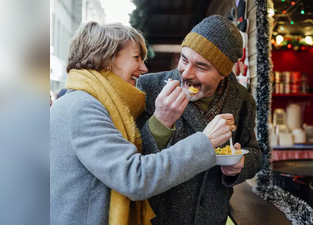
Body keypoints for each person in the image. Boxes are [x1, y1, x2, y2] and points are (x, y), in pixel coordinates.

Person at [50, 21, 235, 225]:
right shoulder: (83, 107)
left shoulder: (88, 102)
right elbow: (134, 178)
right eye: (136, 57)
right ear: (106, 59)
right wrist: (205, 143)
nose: (144, 68)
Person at [136, 15, 263, 225]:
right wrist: (160, 122)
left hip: (212, 218)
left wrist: (241, 164)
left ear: (223, 73)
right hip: (156, 219)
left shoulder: (241, 99)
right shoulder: (148, 88)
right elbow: (131, 165)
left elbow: (255, 152)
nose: (186, 73)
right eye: (184, 59)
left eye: (201, 67)